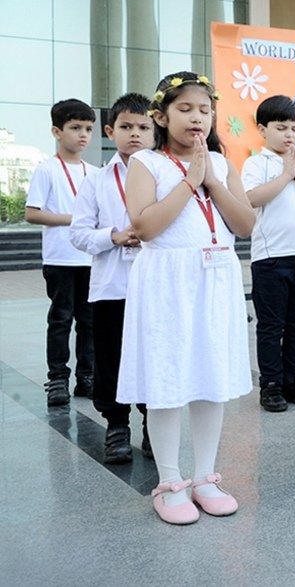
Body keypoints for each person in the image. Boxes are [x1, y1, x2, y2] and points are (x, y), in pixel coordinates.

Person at [119, 72, 255, 525]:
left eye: (204, 109)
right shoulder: (146, 163)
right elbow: (145, 227)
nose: (197, 117)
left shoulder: (219, 161)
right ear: (161, 116)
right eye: (185, 109)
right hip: (167, 280)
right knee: (167, 377)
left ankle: (205, 476)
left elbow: (245, 225)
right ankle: (170, 481)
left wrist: (211, 180)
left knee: (209, 375)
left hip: (215, 278)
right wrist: (188, 181)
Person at [69, 93, 153, 462]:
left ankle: (156, 424)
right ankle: (117, 425)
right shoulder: (97, 180)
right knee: (110, 359)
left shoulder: (166, 175)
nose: (135, 134)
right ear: (110, 130)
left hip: (155, 285)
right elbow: (77, 233)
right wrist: (114, 236)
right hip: (112, 286)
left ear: (155, 130)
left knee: (155, 356)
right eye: (126, 126)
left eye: (143, 127)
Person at [242, 95, 295, 412]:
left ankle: (294, 381)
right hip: (271, 258)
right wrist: (285, 175)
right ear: (262, 129)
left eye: (294, 128)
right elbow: (250, 198)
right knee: (271, 326)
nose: (289, 135)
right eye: (281, 128)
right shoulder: (256, 163)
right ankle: (271, 385)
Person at [26, 98, 99, 406]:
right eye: (75, 128)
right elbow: (32, 213)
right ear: (57, 132)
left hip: (90, 258)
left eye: (88, 129)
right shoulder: (47, 169)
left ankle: (87, 376)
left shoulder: (95, 172)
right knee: (60, 319)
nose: (82, 134)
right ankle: (57, 378)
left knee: (89, 320)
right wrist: (74, 219)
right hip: (60, 259)